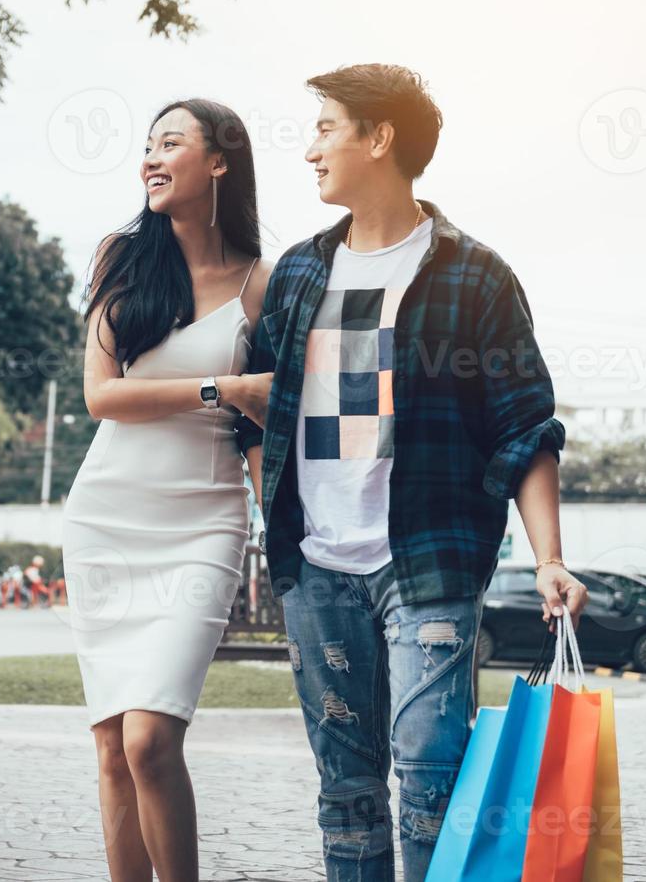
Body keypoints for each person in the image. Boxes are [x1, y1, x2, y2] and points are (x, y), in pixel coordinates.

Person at [233, 64, 589, 881]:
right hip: (316, 569)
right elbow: (254, 411)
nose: (311, 148)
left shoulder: (474, 274)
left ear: (379, 137)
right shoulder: (297, 275)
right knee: (348, 794)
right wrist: (274, 514)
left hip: (427, 562)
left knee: (433, 780)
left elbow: (526, 426)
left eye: (326, 127)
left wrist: (549, 559)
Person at [61, 97, 274, 882]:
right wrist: (223, 388)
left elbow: (266, 419)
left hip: (205, 522)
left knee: (153, 738)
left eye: (171, 143)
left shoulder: (261, 281)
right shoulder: (122, 256)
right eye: (147, 145)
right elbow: (102, 397)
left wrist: (279, 528)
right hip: (107, 515)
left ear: (219, 162)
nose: (151, 158)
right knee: (113, 748)